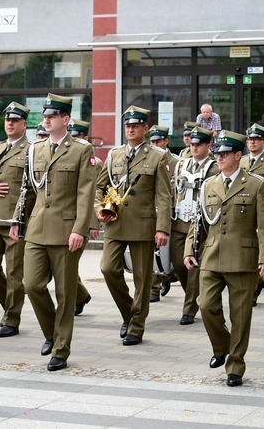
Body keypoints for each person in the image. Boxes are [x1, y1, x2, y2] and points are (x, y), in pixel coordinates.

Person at [9, 94, 95, 372]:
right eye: (45, 115)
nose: (46, 119)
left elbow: (85, 193)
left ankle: (61, 349)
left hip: (66, 231)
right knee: (31, 284)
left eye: (53, 116)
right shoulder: (35, 149)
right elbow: (28, 190)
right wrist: (17, 221)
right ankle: (51, 333)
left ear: (65, 120)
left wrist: (80, 229)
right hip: (36, 228)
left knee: (65, 293)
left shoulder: (81, 150)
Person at [184, 130, 264, 387]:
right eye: (218, 153)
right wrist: (189, 250)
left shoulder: (255, 184)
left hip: (243, 259)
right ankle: (222, 345)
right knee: (206, 305)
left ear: (238, 155)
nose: (220, 158)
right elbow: (198, 222)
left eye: (225, 154)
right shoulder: (208, 184)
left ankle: (235, 366)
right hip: (211, 257)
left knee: (241, 316)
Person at [96, 105, 171, 346]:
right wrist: (100, 207)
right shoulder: (115, 155)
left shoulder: (158, 157)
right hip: (115, 223)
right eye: (127, 125)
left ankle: (137, 326)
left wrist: (162, 228)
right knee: (108, 268)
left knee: (142, 278)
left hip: (142, 225)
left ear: (145, 129)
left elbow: (164, 196)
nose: (130, 129)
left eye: (135, 125)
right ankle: (130, 313)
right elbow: (100, 187)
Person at [0, 102, 33, 337]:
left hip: (15, 219)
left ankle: (12, 319)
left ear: (24, 124)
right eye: (7, 120)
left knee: (14, 273)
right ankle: (10, 305)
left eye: (15, 120)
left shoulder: (33, 150)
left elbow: (34, 186)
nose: (10, 123)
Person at [169, 126, 218, 324]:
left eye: (199, 144)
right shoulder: (182, 164)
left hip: (201, 222)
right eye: (192, 144)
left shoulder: (214, 167)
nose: (194, 147)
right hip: (180, 219)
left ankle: (189, 309)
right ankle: (195, 294)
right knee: (178, 261)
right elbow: (174, 189)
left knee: (195, 263)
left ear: (208, 145)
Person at [67, 119, 102, 316]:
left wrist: (92, 223)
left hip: (82, 221)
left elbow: (93, 193)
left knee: (68, 264)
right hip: (64, 219)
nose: (74, 140)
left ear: (85, 138)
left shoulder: (95, 163)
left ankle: (76, 298)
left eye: (78, 136)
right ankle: (81, 295)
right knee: (65, 265)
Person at [239, 123, 264, 306]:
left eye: (257, 139)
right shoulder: (241, 161)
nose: (252, 143)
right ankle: (252, 289)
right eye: (250, 139)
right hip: (244, 213)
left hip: (262, 211)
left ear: (263, 142)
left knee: (260, 252)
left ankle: (255, 287)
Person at [146, 125, 179, 302]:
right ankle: (154, 287)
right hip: (149, 210)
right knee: (152, 252)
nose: (155, 143)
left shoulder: (175, 161)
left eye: (158, 140)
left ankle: (166, 275)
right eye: (152, 141)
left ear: (166, 141)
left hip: (168, 210)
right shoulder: (147, 157)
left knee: (166, 251)